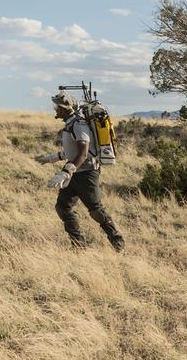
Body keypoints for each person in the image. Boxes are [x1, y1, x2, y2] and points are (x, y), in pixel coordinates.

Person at [35, 92, 124, 251]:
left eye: (58, 107)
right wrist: (52, 158)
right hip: (74, 172)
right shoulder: (71, 123)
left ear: (66, 108)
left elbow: (83, 153)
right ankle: (78, 245)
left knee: (96, 210)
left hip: (86, 174)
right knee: (63, 207)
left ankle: (118, 242)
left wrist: (66, 172)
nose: (55, 109)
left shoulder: (79, 124)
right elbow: (72, 151)